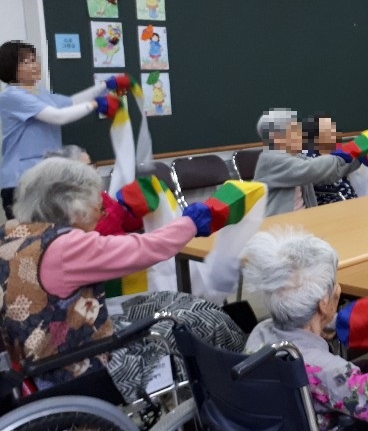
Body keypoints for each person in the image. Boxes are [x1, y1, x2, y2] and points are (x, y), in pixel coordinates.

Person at [0, 157, 222, 388]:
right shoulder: (65, 247)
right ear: (73, 205)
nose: (101, 208)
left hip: (34, 362)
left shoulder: (13, 233)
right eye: (96, 201)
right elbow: (144, 249)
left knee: (173, 304)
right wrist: (190, 224)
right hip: (76, 369)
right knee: (198, 323)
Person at [241, 227, 368, 431]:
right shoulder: (331, 373)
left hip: (279, 428)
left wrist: (327, 323)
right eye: (334, 282)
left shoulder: (261, 331)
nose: (338, 288)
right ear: (323, 304)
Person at [0, 40, 123, 219]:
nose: (35, 65)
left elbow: (72, 102)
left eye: (34, 59)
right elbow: (59, 116)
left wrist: (104, 86)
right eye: (26, 62)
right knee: (28, 234)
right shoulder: (12, 96)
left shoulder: (40, 93)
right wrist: (96, 104)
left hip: (46, 179)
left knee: (50, 232)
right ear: (11, 68)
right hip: (20, 182)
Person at [253, 108, 365, 217]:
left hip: (304, 220)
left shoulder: (297, 157)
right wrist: (348, 151)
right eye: (295, 129)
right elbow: (313, 169)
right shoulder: (270, 160)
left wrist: (358, 157)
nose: (301, 134)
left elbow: (327, 174)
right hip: (282, 226)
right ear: (277, 137)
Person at [43, 144, 144, 236]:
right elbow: (94, 236)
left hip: (124, 246)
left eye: (92, 165)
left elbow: (127, 222)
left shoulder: (98, 195)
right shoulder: (63, 207)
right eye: (87, 167)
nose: (94, 170)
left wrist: (143, 205)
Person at [302, 114, 358, 205]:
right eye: (328, 131)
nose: (333, 134)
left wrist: (360, 156)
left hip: (350, 199)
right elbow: (318, 177)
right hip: (331, 203)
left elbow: (348, 167)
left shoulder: (337, 150)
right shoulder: (309, 157)